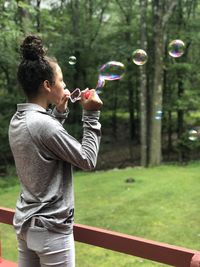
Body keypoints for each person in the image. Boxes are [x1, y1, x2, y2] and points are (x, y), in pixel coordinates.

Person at [8, 34, 103, 267]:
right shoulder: (43, 125)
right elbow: (87, 159)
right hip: (51, 233)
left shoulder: (19, 119)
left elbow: (44, 148)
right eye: (61, 81)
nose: (65, 86)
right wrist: (91, 115)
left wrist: (59, 114)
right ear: (47, 85)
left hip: (27, 227)